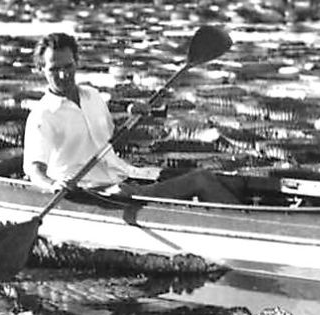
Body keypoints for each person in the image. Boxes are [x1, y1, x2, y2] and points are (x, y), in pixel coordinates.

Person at [23, 33, 239, 204]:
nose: (63, 75)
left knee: (212, 177)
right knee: (200, 180)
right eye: (54, 69)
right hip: (90, 193)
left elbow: (112, 141)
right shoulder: (42, 115)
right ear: (41, 69)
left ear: (77, 62)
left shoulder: (92, 95)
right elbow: (34, 170)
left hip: (121, 180)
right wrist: (54, 184)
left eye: (68, 66)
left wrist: (135, 116)